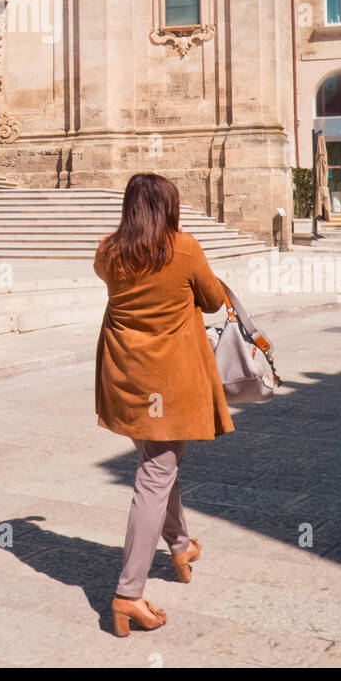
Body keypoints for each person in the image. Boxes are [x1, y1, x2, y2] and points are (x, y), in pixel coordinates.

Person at [94, 173, 234, 637]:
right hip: (171, 382)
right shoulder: (184, 247)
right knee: (155, 475)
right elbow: (213, 302)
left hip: (128, 378)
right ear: (168, 207)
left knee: (158, 463)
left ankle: (178, 545)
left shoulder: (109, 250)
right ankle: (128, 594)